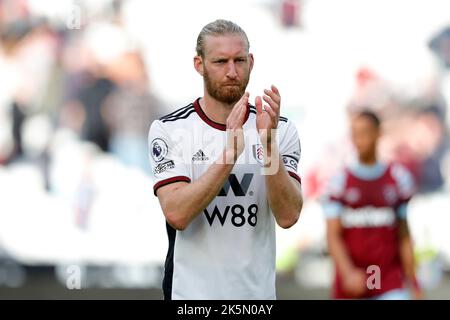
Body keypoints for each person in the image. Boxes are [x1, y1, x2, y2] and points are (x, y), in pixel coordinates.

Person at [148, 19, 303, 300]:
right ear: (199, 64)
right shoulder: (170, 129)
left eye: (239, 60)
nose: (232, 72)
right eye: (220, 61)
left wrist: (268, 146)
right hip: (191, 299)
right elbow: (177, 214)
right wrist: (229, 155)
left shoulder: (280, 130)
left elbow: (288, 215)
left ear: (251, 62)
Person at [323, 110, 423, 299]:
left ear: (378, 133)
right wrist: (347, 273)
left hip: (388, 280)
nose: (360, 140)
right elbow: (333, 236)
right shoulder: (339, 182)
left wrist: (414, 281)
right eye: (355, 134)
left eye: (365, 132)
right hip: (352, 283)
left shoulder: (398, 179)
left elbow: (404, 234)